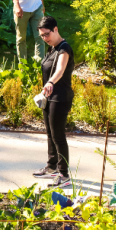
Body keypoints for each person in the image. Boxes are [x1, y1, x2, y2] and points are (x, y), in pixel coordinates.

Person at [33, 16, 75, 188]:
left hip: (60, 97)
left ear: (56, 29)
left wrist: (50, 82)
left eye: (47, 34)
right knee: (50, 134)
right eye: (42, 36)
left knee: (58, 135)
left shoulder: (64, 49)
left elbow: (59, 70)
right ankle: (52, 167)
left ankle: (64, 174)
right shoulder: (52, 48)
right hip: (49, 97)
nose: (45, 38)